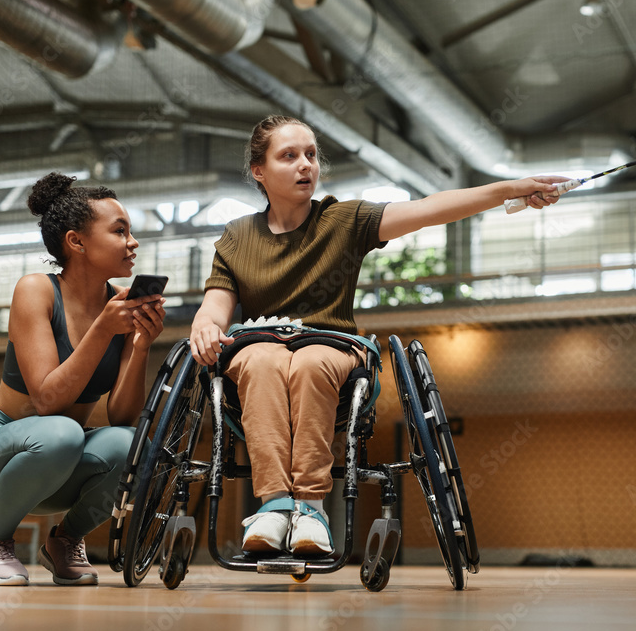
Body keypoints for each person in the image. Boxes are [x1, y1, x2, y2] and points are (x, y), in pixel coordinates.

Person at [190, 115, 563, 557]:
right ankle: (273, 506)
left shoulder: (344, 219)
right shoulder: (236, 237)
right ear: (259, 170)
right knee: (262, 361)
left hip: (329, 346)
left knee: (308, 364)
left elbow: (430, 208)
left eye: (310, 155)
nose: (305, 164)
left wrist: (508, 189)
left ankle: (309, 509)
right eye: (288, 156)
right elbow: (216, 306)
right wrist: (205, 323)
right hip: (260, 348)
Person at [0, 172, 166, 586]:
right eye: (119, 231)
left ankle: (64, 541)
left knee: (132, 445)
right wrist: (104, 330)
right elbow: (48, 401)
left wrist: (140, 345)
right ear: (76, 241)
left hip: (56, 470)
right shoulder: (37, 290)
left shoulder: (118, 305)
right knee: (62, 431)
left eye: (130, 232)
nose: (132, 242)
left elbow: (121, 415)